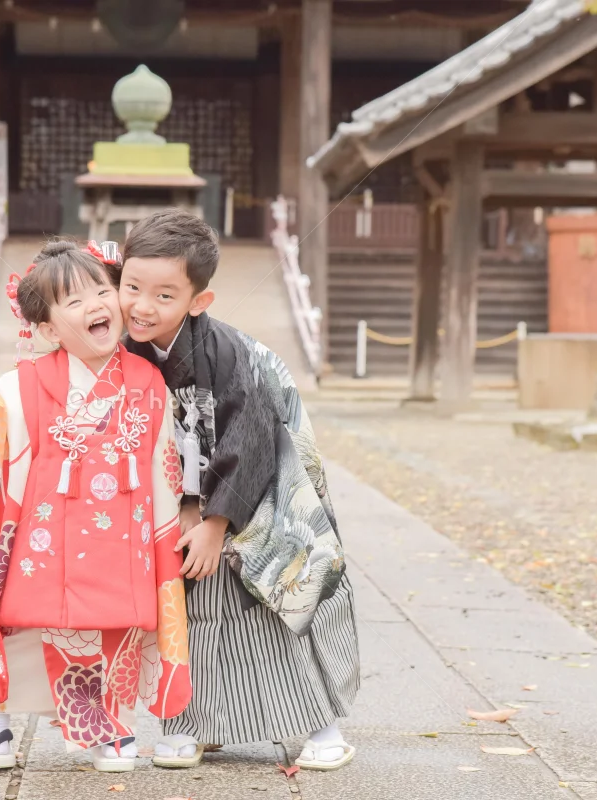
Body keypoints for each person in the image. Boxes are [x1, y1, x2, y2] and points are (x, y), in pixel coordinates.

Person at [116, 209, 361, 771]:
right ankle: (191, 724)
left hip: (264, 483)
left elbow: (249, 438)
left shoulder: (228, 355)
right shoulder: (128, 349)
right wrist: (182, 507)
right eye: (132, 287)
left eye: (164, 295)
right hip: (184, 496)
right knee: (184, 607)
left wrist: (215, 522)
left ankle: (321, 727)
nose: (142, 306)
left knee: (275, 595)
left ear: (198, 301)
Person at [0, 240, 192, 774]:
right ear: (50, 330)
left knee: (114, 625)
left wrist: (168, 530)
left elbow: (162, 464)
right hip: (43, 532)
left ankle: (109, 722)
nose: (95, 306)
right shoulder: (22, 384)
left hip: (121, 531)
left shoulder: (149, 382)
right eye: (73, 302)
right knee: (18, 620)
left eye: (101, 290)